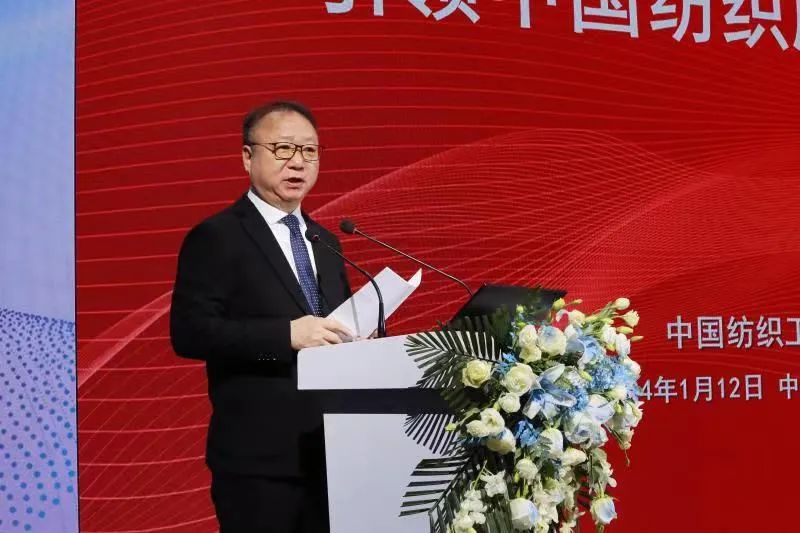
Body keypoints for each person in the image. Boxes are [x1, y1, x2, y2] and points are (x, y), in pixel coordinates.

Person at [170, 101, 354, 532]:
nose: (298, 162)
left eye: (309, 151)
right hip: (258, 463)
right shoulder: (217, 237)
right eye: (283, 148)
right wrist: (285, 335)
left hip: (333, 455)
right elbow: (190, 332)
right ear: (247, 157)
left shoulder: (326, 242)